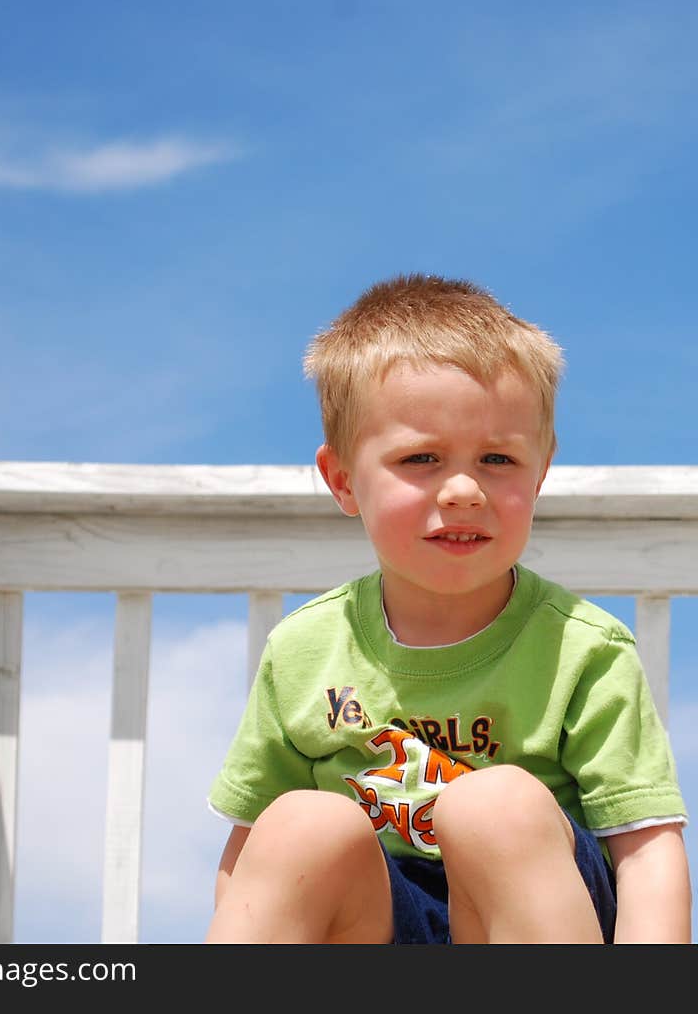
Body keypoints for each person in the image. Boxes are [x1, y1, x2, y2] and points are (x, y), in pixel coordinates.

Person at [204, 273, 691, 944]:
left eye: (497, 458)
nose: (464, 489)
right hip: (380, 917)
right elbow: (250, 862)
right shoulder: (305, 649)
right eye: (422, 458)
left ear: (540, 471)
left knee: (494, 805)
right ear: (343, 480)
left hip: (529, 916)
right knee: (297, 824)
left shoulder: (584, 650)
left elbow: (647, 852)